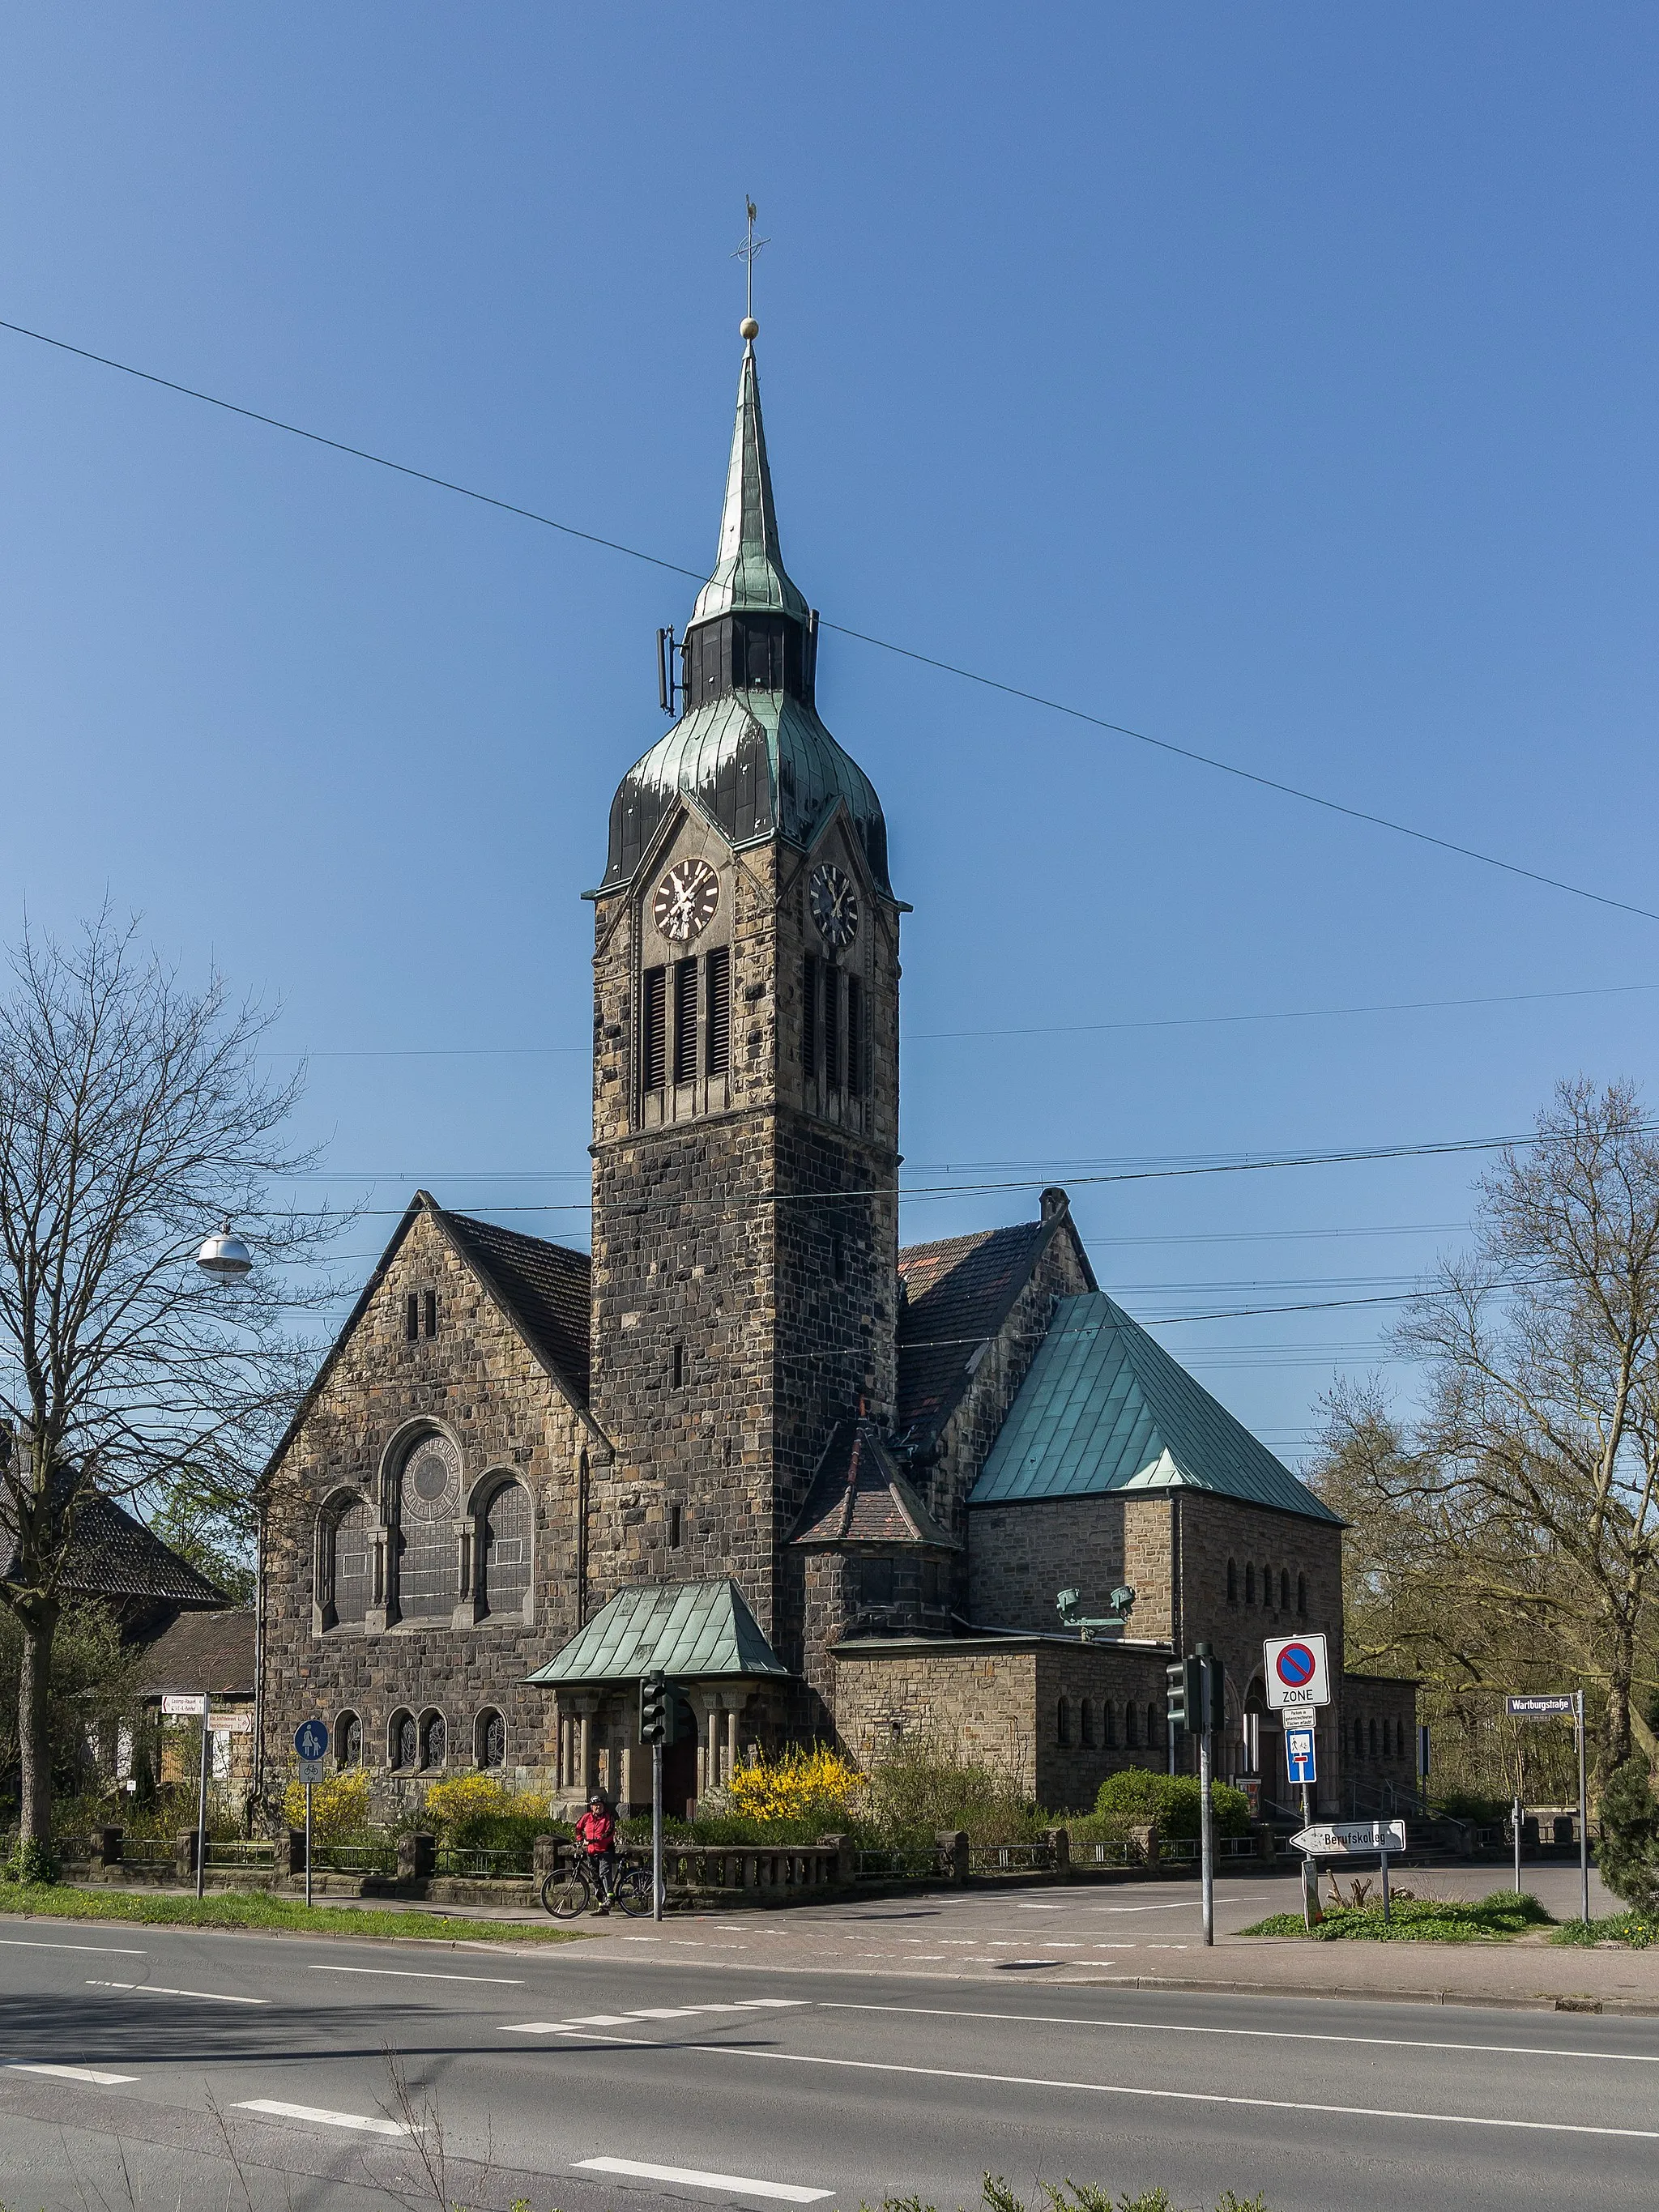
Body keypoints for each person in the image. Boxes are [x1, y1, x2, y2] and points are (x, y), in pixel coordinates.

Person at [574, 1790, 617, 1913]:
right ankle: (601, 1906)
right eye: (595, 1805)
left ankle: (610, 1897)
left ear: (603, 1806)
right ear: (591, 1807)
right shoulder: (587, 1817)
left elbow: (609, 1832)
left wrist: (596, 1839)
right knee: (595, 1879)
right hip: (591, 1852)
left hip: (605, 1851)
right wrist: (580, 1840)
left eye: (600, 1805)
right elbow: (578, 1828)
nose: (598, 1807)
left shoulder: (608, 1817)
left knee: (604, 1873)